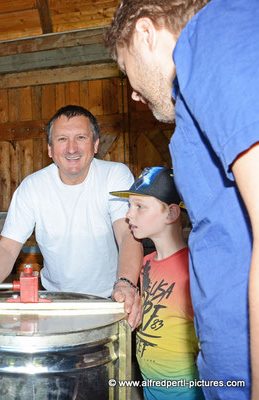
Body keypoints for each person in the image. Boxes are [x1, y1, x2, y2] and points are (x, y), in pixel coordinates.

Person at [105, 1, 258, 397]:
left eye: (126, 70)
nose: (134, 93)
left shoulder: (213, 36)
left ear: (145, 32)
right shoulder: (191, 104)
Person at [0, 105, 143, 328]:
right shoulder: (33, 186)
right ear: (49, 148)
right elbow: (7, 248)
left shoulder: (115, 175)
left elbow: (127, 235)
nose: (72, 148)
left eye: (81, 137)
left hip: (110, 300)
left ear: (95, 144)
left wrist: (126, 283)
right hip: (54, 303)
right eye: (62, 139)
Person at [111, 167, 203, 399]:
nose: (129, 215)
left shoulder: (194, 270)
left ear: (171, 214)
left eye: (140, 207)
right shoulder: (145, 263)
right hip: (150, 388)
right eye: (129, 206)